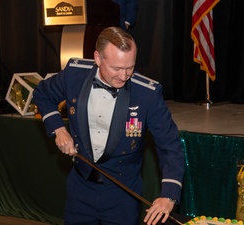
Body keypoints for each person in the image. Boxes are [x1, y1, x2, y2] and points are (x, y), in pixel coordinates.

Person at [33, 27, 184, 225]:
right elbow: (42, 94)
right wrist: (59, 129)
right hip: (80, 189)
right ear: (97, 58)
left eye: (130, 67)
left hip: (122, 194)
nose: (124, 76)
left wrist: (169, 196)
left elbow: (170, 144)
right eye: (116, 68)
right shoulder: (74, 74)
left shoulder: (147, 94)